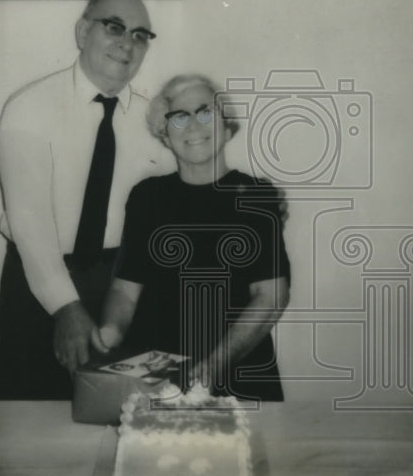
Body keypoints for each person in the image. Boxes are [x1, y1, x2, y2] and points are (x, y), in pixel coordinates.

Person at [0, 0, 173, 399]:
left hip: (123, 292)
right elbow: (29, 221)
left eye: (141, 35)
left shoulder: (155, 121)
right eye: (114, 27)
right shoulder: (29, 108)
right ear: (82, 31)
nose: (127, 43)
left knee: (124, 422)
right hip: (40, 285)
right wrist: (65, 307)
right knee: (32, 421)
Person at [91, 74, 291, 401]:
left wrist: (214, 365)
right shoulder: (146, 197)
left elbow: (271, 298)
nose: (194, 126)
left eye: (206, 112)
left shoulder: (258, 196)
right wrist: (111, 331)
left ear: (226, 128)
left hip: (240, 374)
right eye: (180, 117)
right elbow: (125, 290)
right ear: (165, 135)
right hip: (158, 376)